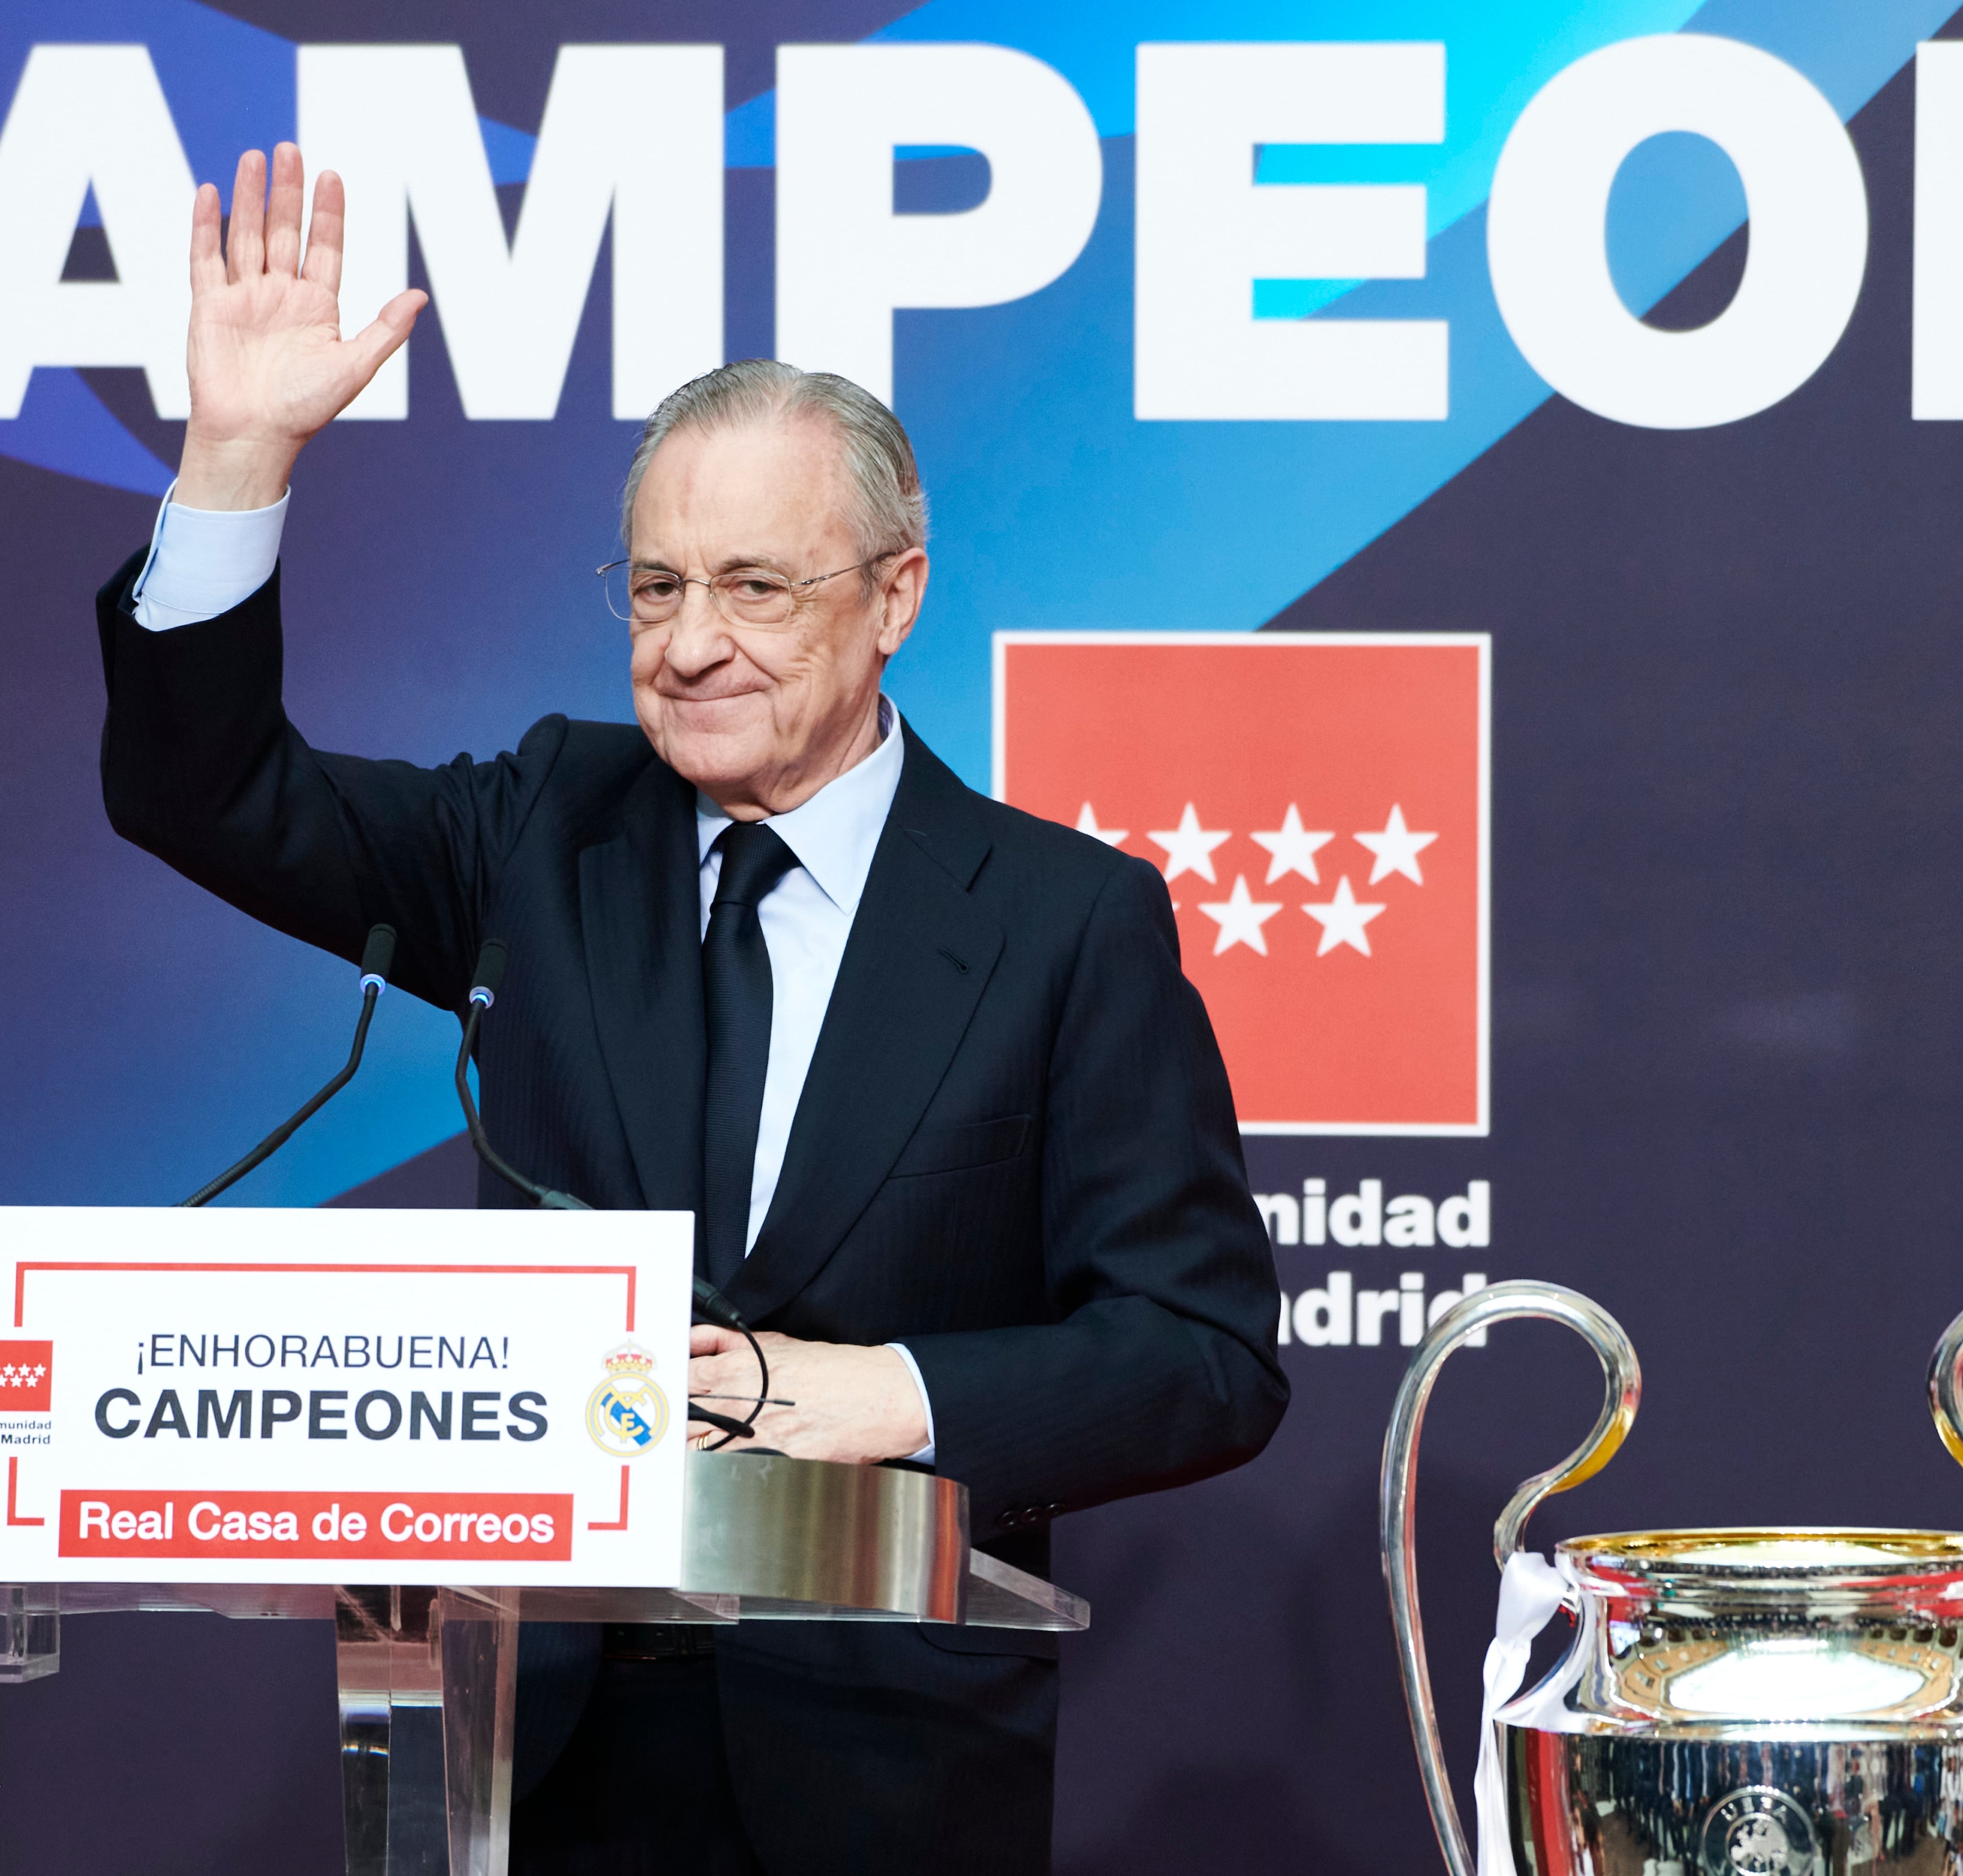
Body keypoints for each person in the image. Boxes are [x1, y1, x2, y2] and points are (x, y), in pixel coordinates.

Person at [97, 144, 1286, 1876]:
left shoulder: (1062, 923)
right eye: (656, 588)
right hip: (538, 1747)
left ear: (894, 597)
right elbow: (203, 792)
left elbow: (1202, 1358)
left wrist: (868, 1393)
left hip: (880, 1772)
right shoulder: (547, 830)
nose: (691, 644)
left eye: (756, 587)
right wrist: (233, 463)